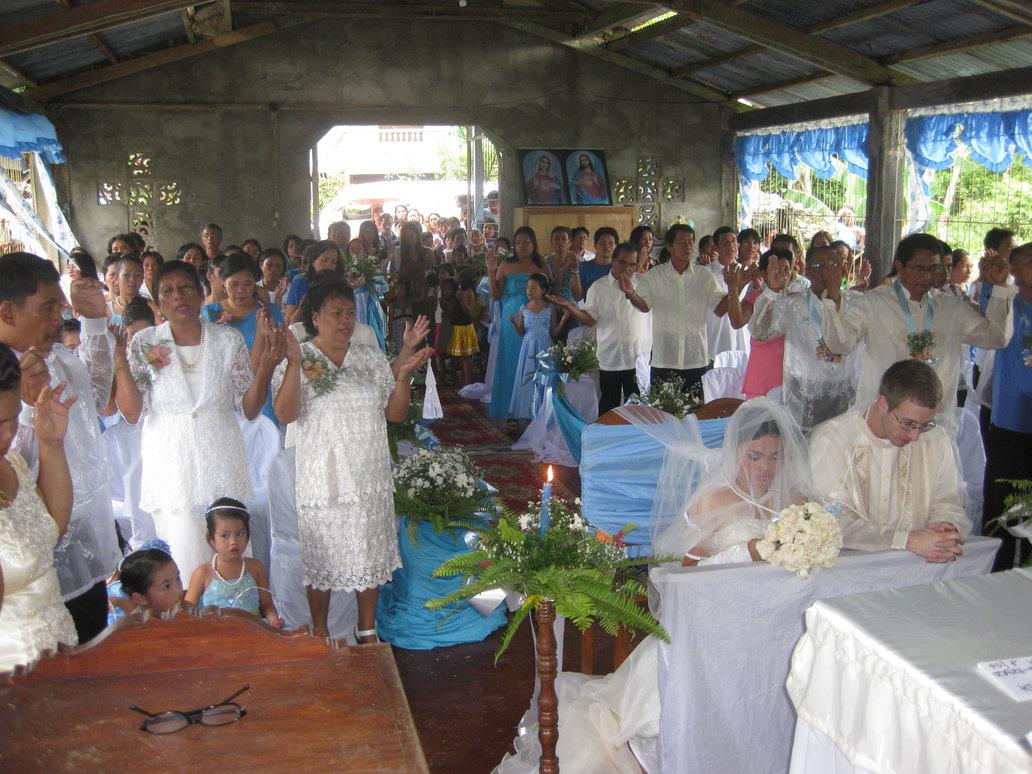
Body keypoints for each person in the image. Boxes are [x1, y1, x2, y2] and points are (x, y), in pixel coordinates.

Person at [497, 398, 815, 773]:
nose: (765, 468)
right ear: (735, 452)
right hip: (713, 621)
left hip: (770, 620)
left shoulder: (796, 502)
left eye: (775, 457)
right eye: (755, 456)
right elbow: (683, 567)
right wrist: (745, 553)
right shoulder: (714, 500)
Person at [272, 277, 431, 641]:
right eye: (335, 313)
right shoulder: (300, 357)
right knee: (321, 556)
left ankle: (367, 630)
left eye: (349, 312)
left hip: (368, 472)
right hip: (322, 477)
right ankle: (319, 632)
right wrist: (295, 365)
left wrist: (403, 374)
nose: (345, 320)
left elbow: (394, 414)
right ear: (315, 316)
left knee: (369, 552)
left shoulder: (369, 358)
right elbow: (285, 414)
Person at [114, 260, 285, 576]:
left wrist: (266, 367)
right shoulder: (148, 343)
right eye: (168, 291)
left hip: (221, 460)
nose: (179, 296)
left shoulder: (226, 340)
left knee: (230, 563)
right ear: (160, 302)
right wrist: (120, 364)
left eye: (185, 288)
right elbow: (132, 412)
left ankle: (235, 622)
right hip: (173, 468)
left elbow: (249, 408)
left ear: (201, 291)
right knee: (184, 560)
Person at [2, 252, 121, 643]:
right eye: (47, 307)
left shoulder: (60, 362)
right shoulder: (10, 380)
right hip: (21, 569)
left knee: (89, 647)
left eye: (60, 305)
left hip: (80, 537)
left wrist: (95, 323)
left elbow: (101, 395)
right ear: (7, 313)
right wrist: (20, 407)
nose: (58, 317)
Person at [818, 232, 1016, 432]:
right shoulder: (873, 302)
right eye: (919, 268)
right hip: (885, 422)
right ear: (899, 266)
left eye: (934, 268)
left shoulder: (950, 307)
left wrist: (1000, 287)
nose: (927, 276)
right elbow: (840, 344)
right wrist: (834, 294)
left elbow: (995, 337)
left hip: (934, 423)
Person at [809, 360, 969, 560]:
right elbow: (830, 520)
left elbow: (948, 502)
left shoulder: (936, 439)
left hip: (920, 562)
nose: (915, 436)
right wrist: (906, 540)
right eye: (908, 423)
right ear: (882, 403)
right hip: (848, 566)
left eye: (925, 425)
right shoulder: (832, 439)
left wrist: (944, 529)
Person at [0, 344, 79, 673]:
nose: (7, 434)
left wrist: (51, 443)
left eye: (12, 418)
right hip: (14, 674)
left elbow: (53, 526)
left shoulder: (11, 462)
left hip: (59, 646)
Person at [749, 244, 861, 432]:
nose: (828, 272)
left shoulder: (855, 301)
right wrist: (772, 292)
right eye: (821, 267)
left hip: (841, 391)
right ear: (807, 271)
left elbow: (847, 343)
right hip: (802, 394)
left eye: (833, 265)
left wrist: (835, 296)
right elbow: (759, 331)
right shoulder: (792, 304)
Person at [625, 224, 747, 396]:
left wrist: (733, 287)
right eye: (682, 243)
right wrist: (630, 294)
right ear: (669, 246)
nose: (688, 247)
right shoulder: (655, 275)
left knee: (697, 415)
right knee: (663, 415)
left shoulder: (703, 276)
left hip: (695, 359)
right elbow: (644, 305)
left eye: (690, 242)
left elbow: (719, 310)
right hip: (664, 359)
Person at [550, 243, 649, 414]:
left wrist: (630, 293)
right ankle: (607, 439)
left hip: (636, 356)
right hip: (610, 357)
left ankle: (634, 438)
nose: (627, 268)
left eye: (632, 264)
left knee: (637, 406)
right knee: (609, 404)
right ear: (613, 261)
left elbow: (645, 307)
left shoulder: (641, 283)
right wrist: (569, 307)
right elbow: (589, 320)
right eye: (622, 262)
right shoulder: (599, 286)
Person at [982, 242, 1032, 571]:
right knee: (1006, 500)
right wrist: (993, 284)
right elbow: (989, 321)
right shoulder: (1005, 299)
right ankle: (997, 568)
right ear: (1012, 268)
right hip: (1012, 418)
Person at [202, 254, 285, 424]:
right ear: (224, 283)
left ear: (255, 283)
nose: (240, 290)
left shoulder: (270, 312)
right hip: (224, 390)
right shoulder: (209, 313)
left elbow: (279, 351)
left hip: (262, 385)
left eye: (247, 284)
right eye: (234, 284)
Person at [184, 498, 282, 626]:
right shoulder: (203, 573)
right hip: (216, 638)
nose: (233, 541)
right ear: (211, 539)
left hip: (254, 634)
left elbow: (266, 604)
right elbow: (186, 613)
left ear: (248, 536)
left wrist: (272, 617)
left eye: (239, 534)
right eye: (224, 535)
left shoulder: (256, 567)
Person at [487, 227, 543, 419]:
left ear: (534, 243)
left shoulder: (541, 265)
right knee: (510, 361)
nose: (522, 246)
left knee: (530, 360)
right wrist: (491, 270)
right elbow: (495, 295)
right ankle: (508, 410)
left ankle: (529, 409)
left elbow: (550, 293)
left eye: (526, 242)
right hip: (511, 317)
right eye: (518, 242)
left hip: (535, 318)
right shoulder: (506, 265)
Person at [508, 273, 565, 420]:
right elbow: (521, 332)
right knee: (528, 377)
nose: (529, 291)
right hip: (528, 348)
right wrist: (515, 323)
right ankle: (527, 410)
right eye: (528, 287)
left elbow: (554, 332)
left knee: (544, 380)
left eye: (534, 288)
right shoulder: (523, 308)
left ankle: (543, 410)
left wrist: (564, 319)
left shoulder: (550, 308)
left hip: (545, 348)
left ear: (543, 290)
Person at [741, 248, 792, 400]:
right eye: (777, 270)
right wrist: (773, 290)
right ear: (765, 274)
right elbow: (758, 331)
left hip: (787, 379)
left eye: (787, 269)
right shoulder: (761, 298)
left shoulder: (795, 299)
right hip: (763, 379)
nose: (783, 275)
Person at [706, 226, 751, 360]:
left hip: (742, 339)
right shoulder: (707, 273)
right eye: (726, 242)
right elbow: (719, 310)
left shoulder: (746, 272)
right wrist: (738, 284)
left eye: (733, 241)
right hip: (716, 340)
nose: (731, 245)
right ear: (716, 248)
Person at [283, 240, 342, 324]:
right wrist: (302, 309)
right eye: (324, 260)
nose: (329, 265)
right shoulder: (300, 281)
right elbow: (289, 321)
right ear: (313, 261)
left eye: (333, 262)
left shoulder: (339, 284)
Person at [117, 547, 184, 617]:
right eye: (167, 586)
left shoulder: (186, 610)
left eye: (177, 578)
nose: (178, 590)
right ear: (141, 598)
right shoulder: (140, 626)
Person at [447, 269, 481, 388]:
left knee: (466, 356)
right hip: (458, 325)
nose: (456, 276)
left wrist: (461, 300)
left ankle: (467, 381)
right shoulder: (460, 290)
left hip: (464, 326)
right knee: (463, 357)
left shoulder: (468, 292)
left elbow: (469, 311)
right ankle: (466, 379)